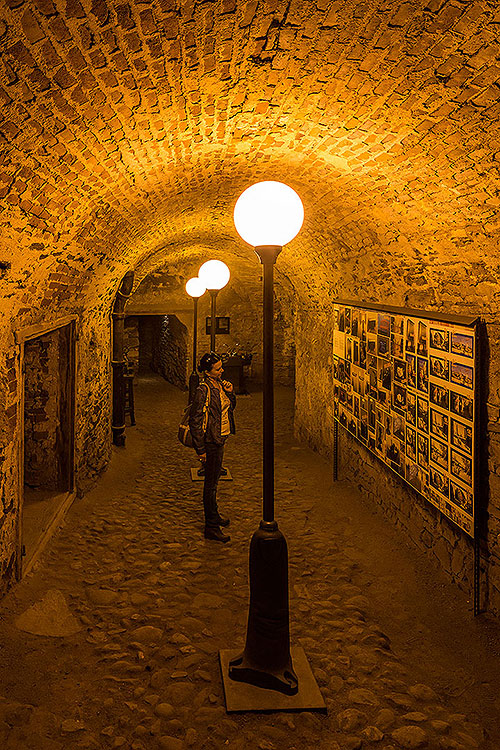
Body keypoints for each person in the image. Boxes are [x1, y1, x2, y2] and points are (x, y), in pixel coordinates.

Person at [189, 352, 236, 543]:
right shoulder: (203, 390)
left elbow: (230, 407)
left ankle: (214, 516)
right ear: (208, 372)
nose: (222, 370)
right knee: (210, 485)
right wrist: (200, 449)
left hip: (220, 438)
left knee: (215, 481)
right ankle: (211, 526)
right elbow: (195, 420)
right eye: (218, 368)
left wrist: (230, 392)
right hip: (210, 441)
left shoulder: (220, 385)